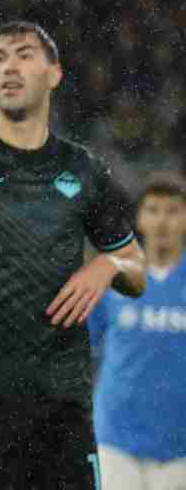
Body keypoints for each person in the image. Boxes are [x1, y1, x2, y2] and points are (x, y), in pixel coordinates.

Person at [0, 20, 147, 489]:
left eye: (23, 55)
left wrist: (107, 264)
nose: (8, 67)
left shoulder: (85, 169)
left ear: (54, 74)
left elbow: (137, 270)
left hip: (63, 412)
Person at [89, 174, 186, 490]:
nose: (162, 221)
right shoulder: (114, 277)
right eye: (154, 210)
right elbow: (77, 347)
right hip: (116, 439)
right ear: (139, 219)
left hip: (179, 447)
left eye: (173, 211)